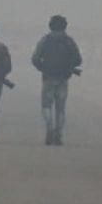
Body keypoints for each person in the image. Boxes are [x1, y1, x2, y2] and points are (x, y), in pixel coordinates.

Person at [32, 14, 82, 146]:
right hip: (63, 78)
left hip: (48, 78)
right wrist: (68, 67)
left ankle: (49, 128)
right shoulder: (69, 41)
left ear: (50, 26)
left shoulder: (45, 40)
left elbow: (35, 58)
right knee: (60, 108)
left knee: (46, 105)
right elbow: (78, 59)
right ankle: (58, 134)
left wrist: (43, 68)